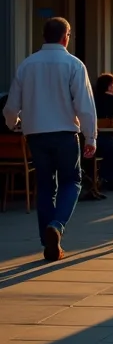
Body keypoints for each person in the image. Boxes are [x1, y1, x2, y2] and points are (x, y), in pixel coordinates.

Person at [3, 18, 97, 261]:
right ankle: (56, 225)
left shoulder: (27, 65)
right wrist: (91, 136)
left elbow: (12, 104)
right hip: (65, 132)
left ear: (43, 36)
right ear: (66, 36)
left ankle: (47, 241)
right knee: (72, 181)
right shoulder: (74, 65)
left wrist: (13, 123)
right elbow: (85, 105)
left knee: (45, 186)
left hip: (36, 134)